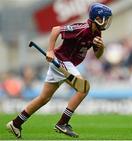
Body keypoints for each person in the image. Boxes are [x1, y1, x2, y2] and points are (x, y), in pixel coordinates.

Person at [6, 3, 112, 138]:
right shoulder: (82, 29)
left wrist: (101, 47)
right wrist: (50, 50)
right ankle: (62, 123)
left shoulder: (97, 32)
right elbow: (56, 29)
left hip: (66, 63)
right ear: (97, 18)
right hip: (62, 60)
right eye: (106, 18)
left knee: (44, 98)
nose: (107, 21)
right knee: (84, 88)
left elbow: (98, 56)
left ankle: (16, 123)